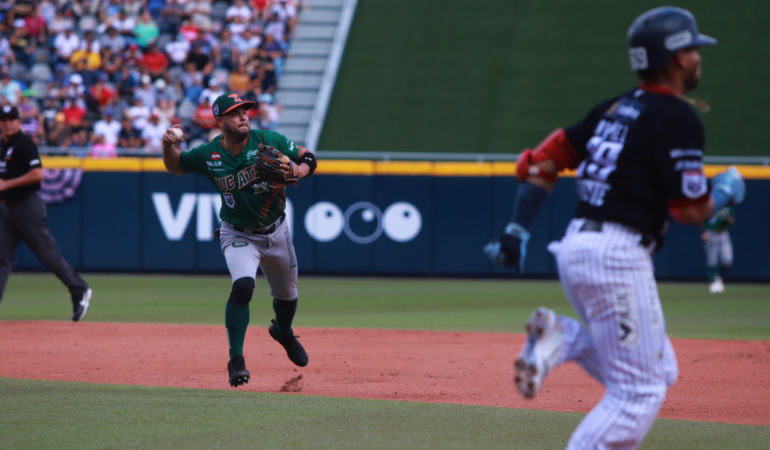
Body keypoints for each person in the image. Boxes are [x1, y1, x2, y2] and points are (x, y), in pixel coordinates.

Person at [483, 8, 746, 450]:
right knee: (638, 394)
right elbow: (689, 211)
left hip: (577, 246)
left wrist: (516, 230)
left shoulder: (613, 108)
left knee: (662, 372)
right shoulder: (676, 117)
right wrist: (727, 191)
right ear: (678, 58)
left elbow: (541, 162)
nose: (699, 57)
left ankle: (563, 337)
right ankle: (563, 342)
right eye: (694, 48)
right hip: (617, 257)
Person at [161, 92, 318, 387]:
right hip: (237, 233)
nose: (243, 116)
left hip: (276, 230)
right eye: (235, 112)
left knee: (287, 296)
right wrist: (167, 146)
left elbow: (308, 157)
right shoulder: (209, 154)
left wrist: (300, 169)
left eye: (245, 110)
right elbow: (176, 166)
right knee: (243, 285)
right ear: (220, 121)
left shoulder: (268, 140)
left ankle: (282, 332)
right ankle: (236, 360)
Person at [0, 105, 91, 320]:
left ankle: (79, 289)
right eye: (3, 119)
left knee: (47, 254)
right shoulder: (2, 146)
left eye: (11, 118)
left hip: (27, 206)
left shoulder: (24, 143)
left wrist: (7, 184)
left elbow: (38, 174)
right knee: (1, 259)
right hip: (7, 209)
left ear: (19, 121)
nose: (7, 122)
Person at [700, 207, 734, 293]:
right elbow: (700, 219)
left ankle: (719, 277)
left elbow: (731, 220)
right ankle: (712, 283)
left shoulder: (726, 209)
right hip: (711, 234)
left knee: (727, 260)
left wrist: (728, 219)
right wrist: (703, 232)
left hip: (723, 234)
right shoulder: (710, 205)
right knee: (712, 260)